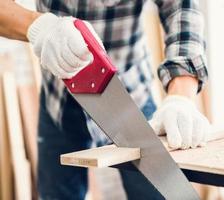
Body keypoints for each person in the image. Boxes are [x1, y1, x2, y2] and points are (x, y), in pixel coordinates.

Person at [0, 0, 210, 199]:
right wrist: (39, 26)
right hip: (58, 100)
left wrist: (180, 97)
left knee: (161, 193)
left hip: (129, 97)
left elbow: (182, 8)